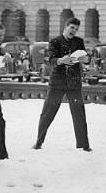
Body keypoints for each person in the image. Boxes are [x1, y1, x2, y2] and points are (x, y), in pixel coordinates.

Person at [33, 17, 91, 151]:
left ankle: (84, 145)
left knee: (79, 114)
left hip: (74, 83)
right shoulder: (55, 41)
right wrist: (61, 60)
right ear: (65, 27)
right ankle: (39, 142)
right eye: (72, 28)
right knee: (47, 113)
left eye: (76, 29)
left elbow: (87, 57)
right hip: (57, 82)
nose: (74, 31)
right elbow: (49, 59)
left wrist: (86, 59)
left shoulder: (79, 42)